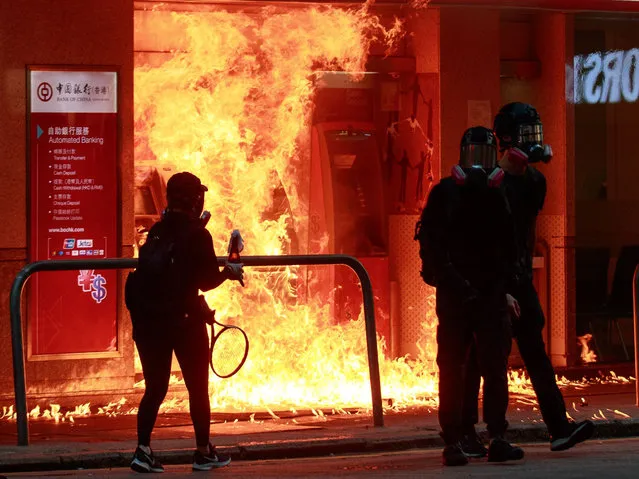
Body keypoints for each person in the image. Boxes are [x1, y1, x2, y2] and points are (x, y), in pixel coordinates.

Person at [459, 103, 594, 458]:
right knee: (481, 357)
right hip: (492, 281)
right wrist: (495, 287)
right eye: (527, 134)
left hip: (517, 278)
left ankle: (559, 428)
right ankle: (468, 432)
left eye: (537, 132)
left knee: (535, 351)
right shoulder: (490, 183)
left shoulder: (535, 181)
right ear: (506, 140)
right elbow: (484, 238)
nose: (534, 141)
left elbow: (525, 229)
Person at [418, 126, 524, 466]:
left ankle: (482, 437)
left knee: (482, 367)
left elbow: (509, 247)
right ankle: (466, 437)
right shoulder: (455, 193)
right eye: (474, 155)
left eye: (484, 155)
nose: (479, 164)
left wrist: (500, 289)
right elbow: (432, 245)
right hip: (468, 294)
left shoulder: (480, 192)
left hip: (475, 294)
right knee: (463, 367)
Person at [124, 171, 244, 473]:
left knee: (155, 388)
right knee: (197, 389)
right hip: (185, 323)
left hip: (151, 323)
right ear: (195, 199)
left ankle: (143, 451)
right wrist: (229, 272)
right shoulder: (198, 234)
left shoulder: (157, 231)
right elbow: (205, 281)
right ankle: (203, 452)